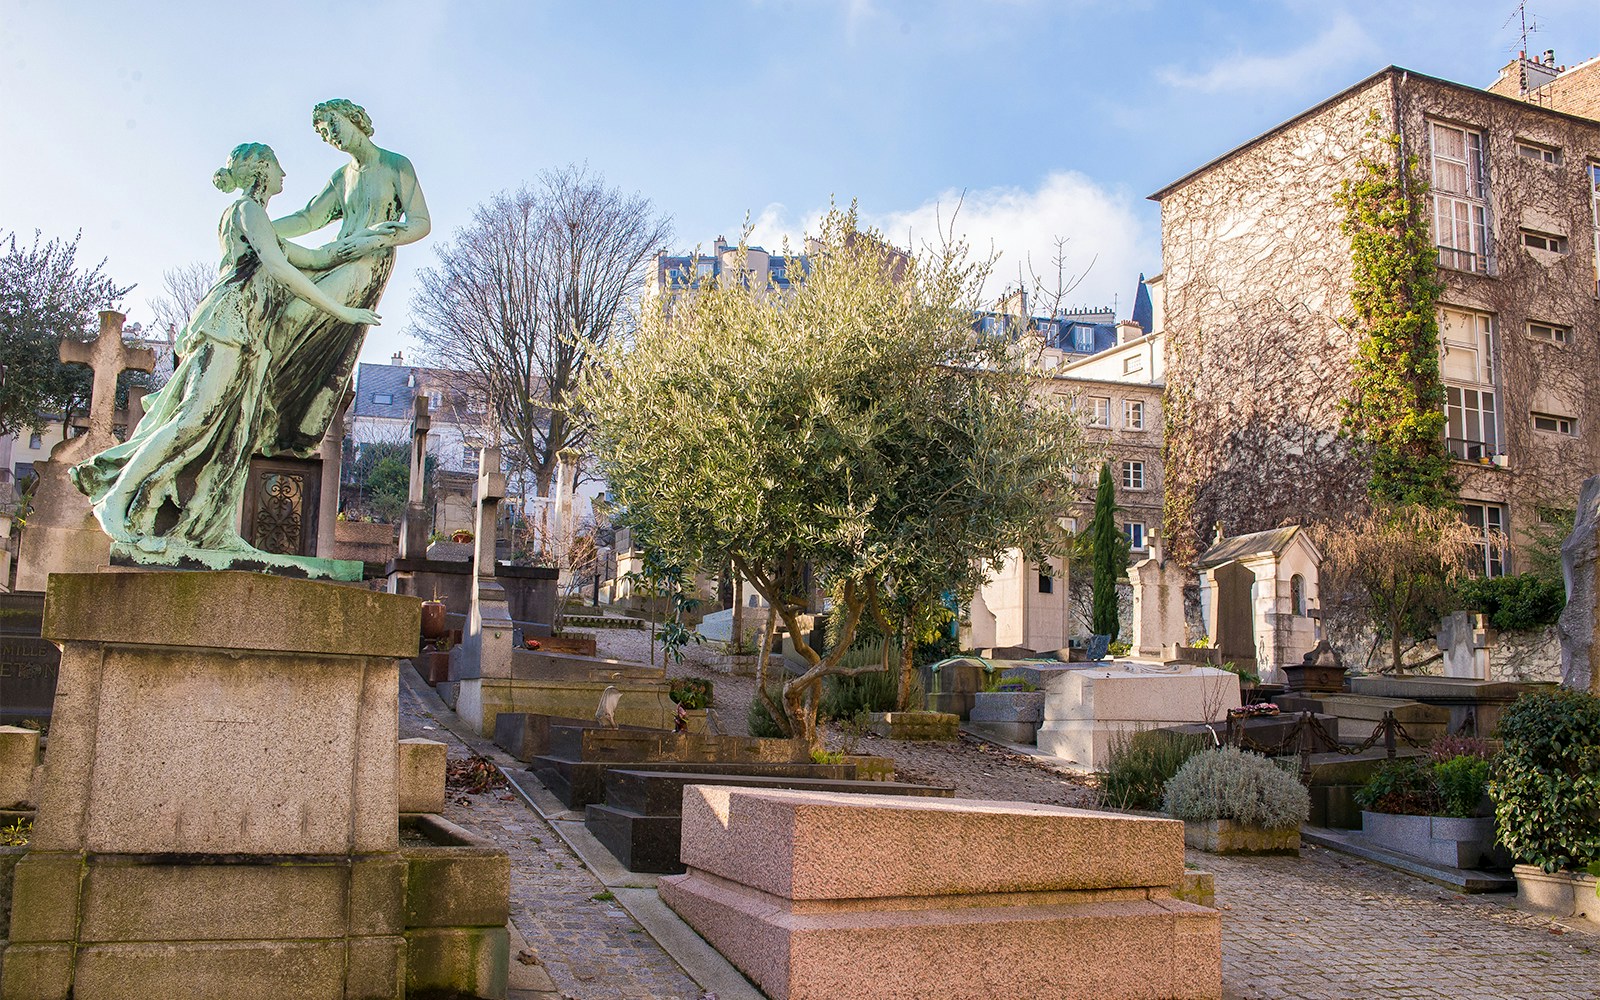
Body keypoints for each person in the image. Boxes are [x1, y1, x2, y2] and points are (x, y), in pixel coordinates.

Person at [71, 143, 380, 553]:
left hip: (252, 335)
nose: (284, 175)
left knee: (235, 435)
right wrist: (339, 309)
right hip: (228, 324)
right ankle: (115, 499)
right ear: (260, 172)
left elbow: (317, 256)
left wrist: (373, 243)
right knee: (192, 421)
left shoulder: (262, 220)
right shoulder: (247, 211)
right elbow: (282, 268)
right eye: (277, 166)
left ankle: (212, 529)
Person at [262, 98, 430, 457]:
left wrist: (387, 234)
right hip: (336, 256)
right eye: (324, 135)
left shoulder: (395, 165)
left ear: (355, 120)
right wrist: (260, 229)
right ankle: (266, 402)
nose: (331, 137)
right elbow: (308, 219)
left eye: (333, 126)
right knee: (279, 300)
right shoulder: (342, 178)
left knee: (295, 315)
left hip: (368, 264)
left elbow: (421, 223)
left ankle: (272, 399)